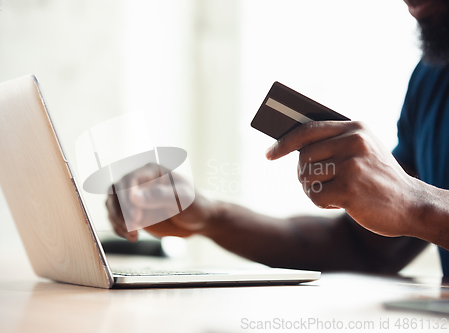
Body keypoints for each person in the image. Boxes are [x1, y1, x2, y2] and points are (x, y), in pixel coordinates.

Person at [106, 0, 449, 274]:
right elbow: (363, 248)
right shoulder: (432, 79)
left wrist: (416, 204)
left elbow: (412, 210)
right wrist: (210, 216)